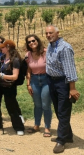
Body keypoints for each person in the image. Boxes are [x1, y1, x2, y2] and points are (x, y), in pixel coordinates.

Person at [45, 25, 80, 153]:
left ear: (58, 33)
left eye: (51, 33)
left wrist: (72, 88)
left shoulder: (64, 48)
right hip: (52, 81)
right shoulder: (50, 45)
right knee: (59, 110)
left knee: (63, 111)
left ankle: (61, 141)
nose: (48, 35)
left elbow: (70, 69)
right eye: (47, 33)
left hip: (62, 83)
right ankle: (68, 136)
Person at [0, 40, 25, 136]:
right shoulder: (2, 58)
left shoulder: (15, 60)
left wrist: (1, 75)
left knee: (11, 106)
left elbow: (15, 76)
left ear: (8, 48)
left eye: (3, 47)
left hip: (9, 86)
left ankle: (18, 127)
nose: (1, 48)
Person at [25, 34, 52, 137]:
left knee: (45, 104)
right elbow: (29, 70)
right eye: (29, 42)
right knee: (37, 104)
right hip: (35, 80)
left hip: (46, 80)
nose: (31, 43)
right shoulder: (28, 55)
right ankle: (36, 125)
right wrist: (28, 84)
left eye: (33, 40)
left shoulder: (45, 52)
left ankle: (47, 127)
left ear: (37, 40)